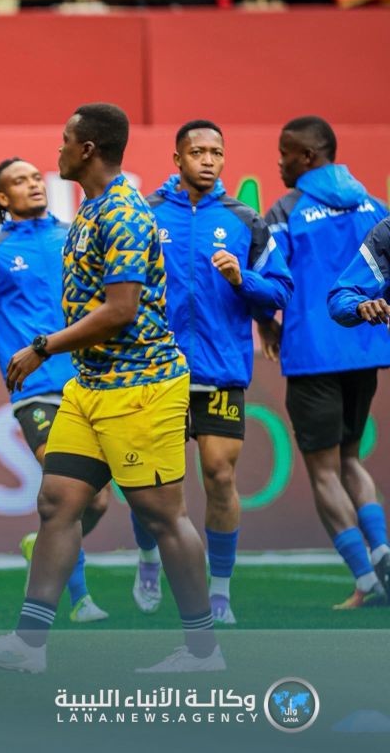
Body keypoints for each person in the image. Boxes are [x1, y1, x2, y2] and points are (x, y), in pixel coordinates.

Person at [0, 103, 223, 674]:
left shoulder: (123, 212)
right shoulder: (90, 209)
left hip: (142, 387)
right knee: (57, 504)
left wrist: (44, 346)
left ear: (87, 150)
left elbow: (121, 310)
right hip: (91, 385)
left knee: (163, 517)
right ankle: (29, 645)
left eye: (64, 140)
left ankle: (204, 652)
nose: (56, 151)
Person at [131, 120, 292, 624]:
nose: (207, 160)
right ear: (177, 159)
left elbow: (280, 290)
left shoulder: (245, 220)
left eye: (216, 152)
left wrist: (242, 279)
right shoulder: (146, 214)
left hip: (220, 370)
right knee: (152, 486)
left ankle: (219, 592)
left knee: (220, 477)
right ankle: (148, 557)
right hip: (156, 371)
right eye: (197, 151)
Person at [0, 157, 110, 624]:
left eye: (36, 178)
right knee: (70, 491)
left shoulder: (76, 235)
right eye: (20, 181)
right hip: (37, 390)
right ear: (2, 198)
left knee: (98, 500)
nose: (33, 185)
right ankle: (81, 600)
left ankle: (39, 545)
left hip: (89, 382)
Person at [258, 115, 390, 608]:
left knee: (324, 471)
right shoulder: (375, 206)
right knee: (351, 459)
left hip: (313, 352)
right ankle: (383, 551)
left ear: (308, 156)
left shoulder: (286, 210)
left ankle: (368, 580)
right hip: (365, 349)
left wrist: (264, 322)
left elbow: (267, 277)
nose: (279, 162)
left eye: (286, 152)